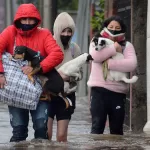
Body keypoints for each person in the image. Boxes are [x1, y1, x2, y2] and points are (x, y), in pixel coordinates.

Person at [0, 3, 63, 142]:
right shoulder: (10, 32)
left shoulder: (44, 34)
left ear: (36, 20)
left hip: (40, 93)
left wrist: (37, 68)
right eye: (24, 19)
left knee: (41, 131)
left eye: (31, 19)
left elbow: (57, 54)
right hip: (16, 92)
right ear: (18, 20)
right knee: (18, 132)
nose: (28, 22)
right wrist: (0, 74)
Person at [87, 15, 137, 135]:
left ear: (122, 29)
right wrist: (114, 49)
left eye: (117, 27)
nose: (114, 29)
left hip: (118, 94)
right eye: (111, 26)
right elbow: (95, 57)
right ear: (105, 27)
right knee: (97, 128)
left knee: (117, 131)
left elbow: (131, 64)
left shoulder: (127, 45)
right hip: (98, 91)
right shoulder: (96, 41)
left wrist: (110, 63)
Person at [47, 12, 82, 142]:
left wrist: (69, 78)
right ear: (57, 30)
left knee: (62, 137)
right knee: (46, 135)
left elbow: (81, 74)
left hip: (67, 96)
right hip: (48, 95)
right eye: (63, 31)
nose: (67, 34)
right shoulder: (48, 46)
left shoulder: (74, 49)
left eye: (69, 31)